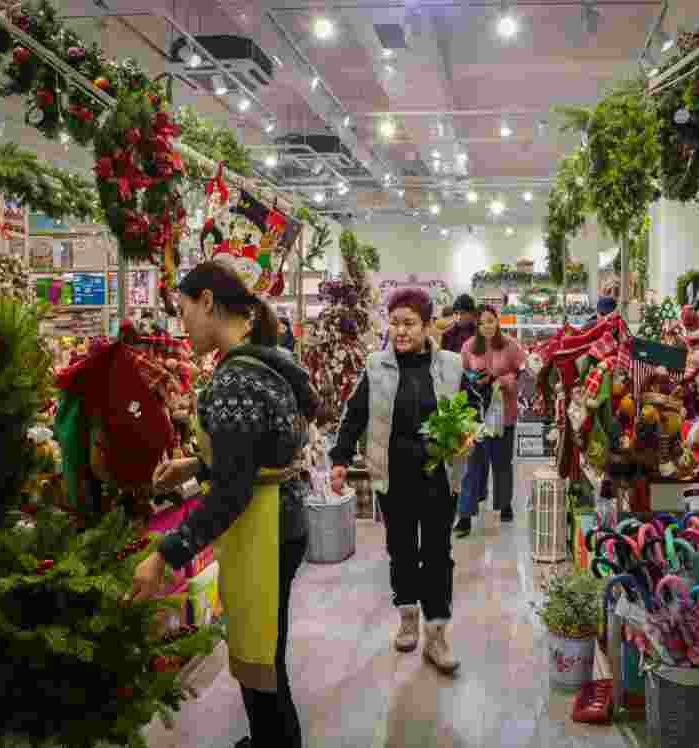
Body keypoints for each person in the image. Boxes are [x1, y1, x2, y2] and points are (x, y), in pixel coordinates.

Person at [125, 261, 320, 748]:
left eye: (185, 309)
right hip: (282, 521)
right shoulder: (267, 362)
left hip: (265, 527)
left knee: (260, 654)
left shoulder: (236, 379)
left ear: (208, 301)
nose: (183, 323)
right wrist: (196, 465)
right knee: (265, 651)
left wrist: (166, 555)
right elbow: (259, 454)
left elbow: (234, 492)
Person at [329, 288, 476, 674]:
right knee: (402, 550)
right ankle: (408, 618)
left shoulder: (450, 364)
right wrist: (340, 457)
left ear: (427, 326)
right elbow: (355, 413)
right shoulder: (376, 365)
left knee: (438, 555)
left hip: (438, 477)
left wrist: (469, 430)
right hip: (393, 477)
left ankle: (437, 633)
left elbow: (475, 405)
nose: (400, 331)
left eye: (408, 323)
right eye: (394, 323)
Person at [454, 305, 527, 537]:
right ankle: (465, 516)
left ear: (497, 322)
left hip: (504, 414)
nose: (487, 326)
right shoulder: (468, 347)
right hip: (476, 417)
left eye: (491, 321)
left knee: (502, 462)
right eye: (483, 322)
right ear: (477, 324)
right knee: (471, 465)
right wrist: (472, 383)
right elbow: (461, 376)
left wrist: (500, 379)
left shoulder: (510, 346)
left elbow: (523, 376)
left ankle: (505, 504)